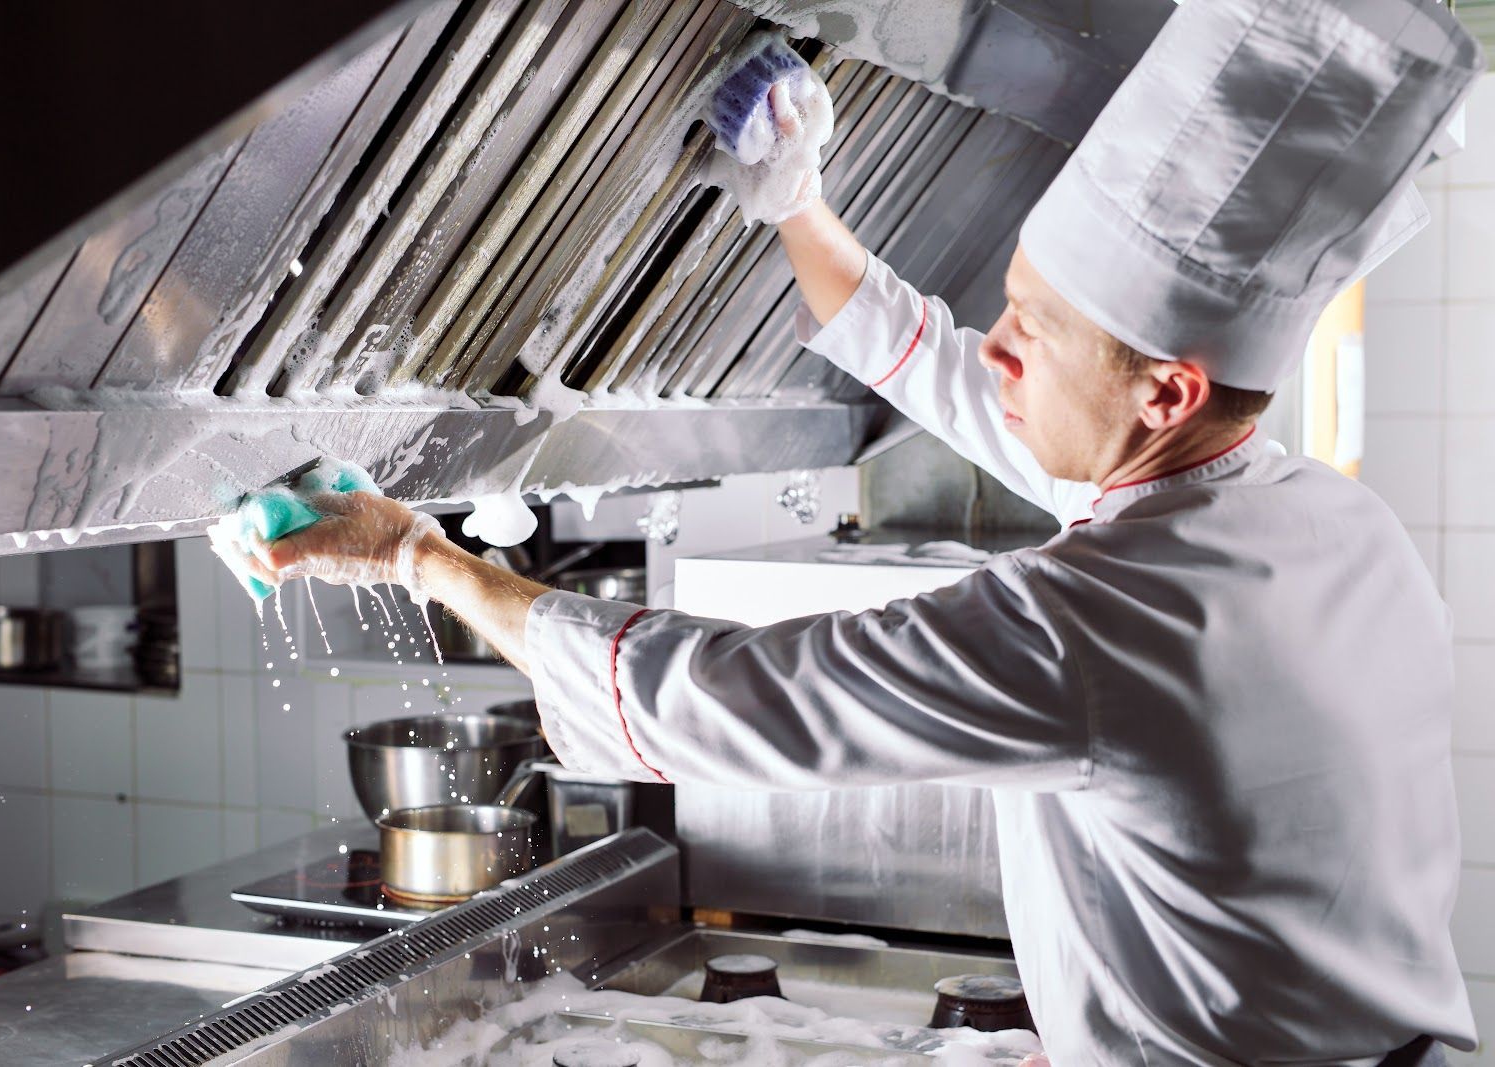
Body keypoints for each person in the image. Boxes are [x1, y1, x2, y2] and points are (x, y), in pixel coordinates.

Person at [244, 0, 1484, 1062]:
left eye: (1033, 330)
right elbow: (970, 385)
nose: (997, 346)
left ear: (1165, 393)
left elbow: (710, 698)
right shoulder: (1315, 516)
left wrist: (419, 555)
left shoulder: (1098, 620)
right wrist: (797, 204)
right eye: (1011, 303)